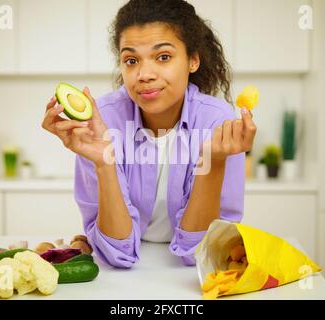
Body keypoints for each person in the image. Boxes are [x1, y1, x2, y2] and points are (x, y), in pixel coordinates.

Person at [42, 0, 257, 268]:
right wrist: (104, 162)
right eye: (131, 60)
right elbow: (116, 252)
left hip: (187, 281)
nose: (144, 74)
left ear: (193, 60)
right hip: (125, 281)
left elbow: (201, 252)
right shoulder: (102, 121)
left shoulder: (219, 123)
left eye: (163, 57)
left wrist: (211, 162)